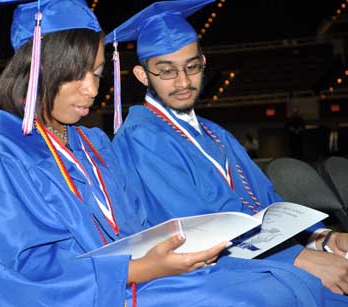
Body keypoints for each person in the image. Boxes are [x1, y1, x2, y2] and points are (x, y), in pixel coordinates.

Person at [0, 0, 345, 306]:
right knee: (259, 294)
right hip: (95, 295)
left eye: (95, 73)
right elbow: (17, 281)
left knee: (281, 285)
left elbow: (140, 227)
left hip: (145, 277)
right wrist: (143, 267)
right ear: (37, 69)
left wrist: (317, 239)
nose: (92, 90)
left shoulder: (92, 144)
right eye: (76, 75)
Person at [108, 0, 348, 298]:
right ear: (143, 76)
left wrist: (320, 239)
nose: (183, 81)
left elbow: (267, 205)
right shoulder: (141, 139)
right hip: (205, 269)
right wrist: (297, 258)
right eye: (167, 71)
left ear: (203, 62)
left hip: (255, 258)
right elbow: (194, 229)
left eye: (192, 66)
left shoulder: (215, 133)